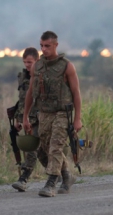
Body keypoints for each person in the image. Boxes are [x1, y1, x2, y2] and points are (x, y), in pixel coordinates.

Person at [23, 31, 83, 197]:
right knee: (44, 149)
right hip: (44, 113)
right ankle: (66, 176)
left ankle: (51, 183)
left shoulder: (66, 66)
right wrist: (25, 116)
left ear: (56, 45)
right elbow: (30, 92)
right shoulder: (38, 66)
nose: (44, 49)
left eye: (47, 46)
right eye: (41, 46)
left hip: (62, 113)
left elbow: (76, 93)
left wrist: (77, 118)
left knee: (56, 146)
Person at [12, 47, 48, 192]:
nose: (27, 65)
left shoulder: (43, 76)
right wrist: (18, 119)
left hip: (40, 118)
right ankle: (61, 174)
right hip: (26, 118)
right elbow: (21, 100)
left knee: (32, 148)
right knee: (40, 152)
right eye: (25, 62)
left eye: (30, 62)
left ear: (37, 61)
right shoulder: (22, 76)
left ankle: (24, 178)